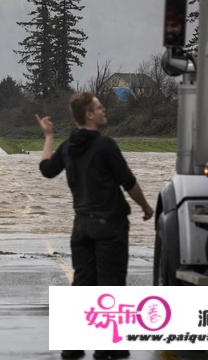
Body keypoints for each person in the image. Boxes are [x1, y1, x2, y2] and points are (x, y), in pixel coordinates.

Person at [37, 92, 154, 360]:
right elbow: (129, 182)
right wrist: (146, 208)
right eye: (100, 108)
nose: (104, 111)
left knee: (82, 282)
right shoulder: (105, 146)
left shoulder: (68, 146)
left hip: (81, 226)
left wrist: (48, 136)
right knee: (110, 284)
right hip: (109, 226)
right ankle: (107, 347)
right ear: (89, 114)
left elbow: (46, 169)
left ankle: (73, 345)